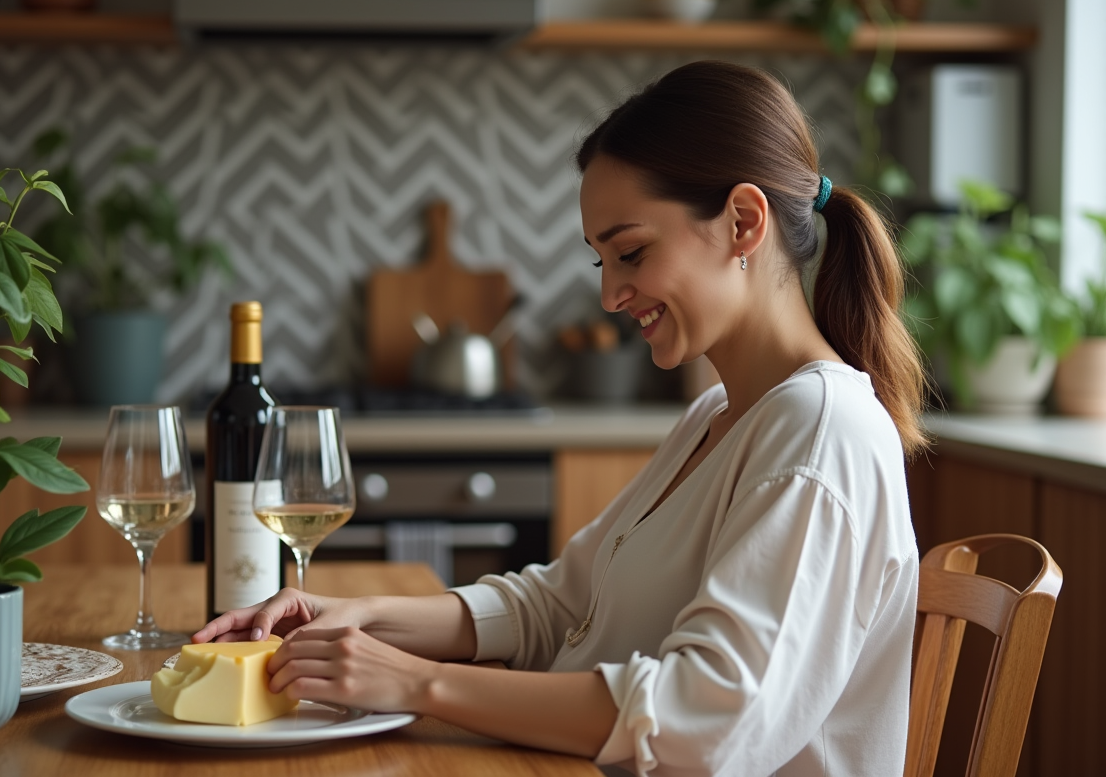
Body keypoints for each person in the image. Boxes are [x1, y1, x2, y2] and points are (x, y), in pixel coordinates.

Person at [193, 60, 926, 777]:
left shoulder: (822, 434)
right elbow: (557, 607)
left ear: (742, 221)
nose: (611, 295)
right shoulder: (721, 415)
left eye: (631, 252)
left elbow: (706, 725)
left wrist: (416, 683)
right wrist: (357, 617)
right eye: (601, 261)